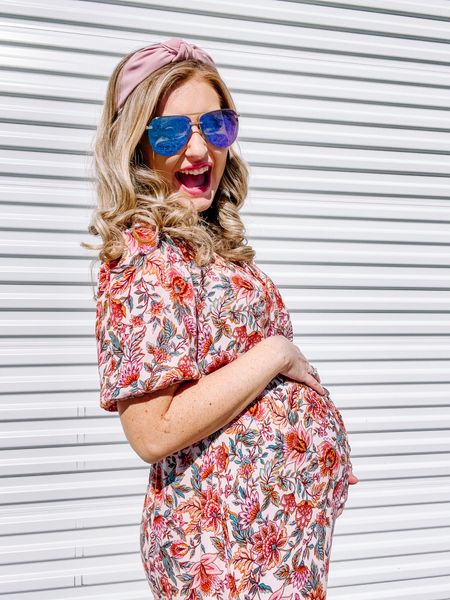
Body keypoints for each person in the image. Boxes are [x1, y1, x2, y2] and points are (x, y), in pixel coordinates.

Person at [86, 37, 359, 600]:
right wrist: (275, 353)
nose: (197, 149)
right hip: (221, 555)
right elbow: (153, 432)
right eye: (168, 131)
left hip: (267, 546)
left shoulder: (204, 247)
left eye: (215, 127)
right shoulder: (146, 256)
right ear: (137, 147)